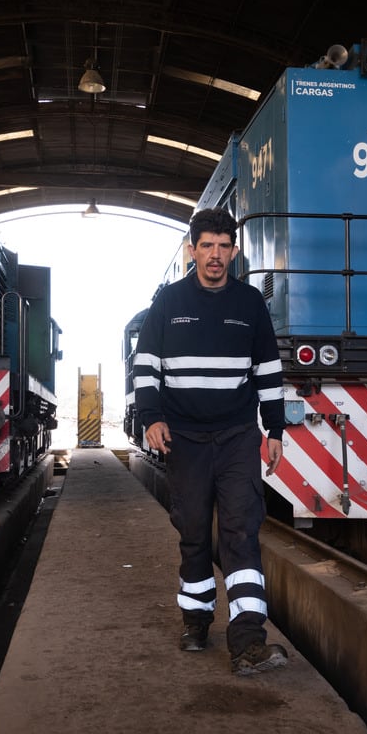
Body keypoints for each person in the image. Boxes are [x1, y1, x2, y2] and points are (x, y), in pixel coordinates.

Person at [132, 206, 288, 676]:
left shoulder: (249, 304)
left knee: (242, 533)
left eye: (224, 247)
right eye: (207, 246)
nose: (215, 255)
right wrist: (151, 418)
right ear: (192, 250)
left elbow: (269, 370)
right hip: (185, 438)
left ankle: (248, 643)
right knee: (194, 533)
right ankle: (195, 622)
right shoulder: (169, 303)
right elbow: (146, 367)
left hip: (239, 435)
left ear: (234, 252)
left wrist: (274, 429)